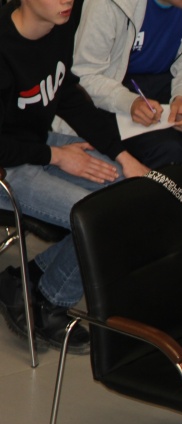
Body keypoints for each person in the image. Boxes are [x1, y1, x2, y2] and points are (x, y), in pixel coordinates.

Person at [0, 0, 149, 354]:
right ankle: (51, 301)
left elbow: (66, 95)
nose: (67, 0)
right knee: (99, 219)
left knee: (128, 195)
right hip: (7, 167)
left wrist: (123, 156)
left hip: (36, 146)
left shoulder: (59, 26)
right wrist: (56, 157)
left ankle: (29, 278)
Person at [68, 0, 182, 238]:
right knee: (167, 152)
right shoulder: (108, 3)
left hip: (173, 81)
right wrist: (129, 102)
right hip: (115, 86)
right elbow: (85, 74)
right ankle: (157, 244)